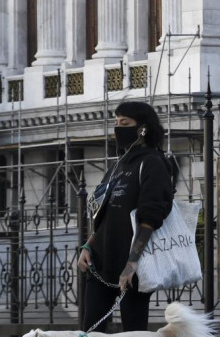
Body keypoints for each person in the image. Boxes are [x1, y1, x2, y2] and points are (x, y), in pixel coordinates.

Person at [77, 101, 174, 332]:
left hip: (134, 269)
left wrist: (131, 264)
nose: (118, 128)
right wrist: (88, 246)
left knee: (133, 331)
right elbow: (106, 215)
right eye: (116, 123)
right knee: (90, 331)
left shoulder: (153, 163)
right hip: (100, 265)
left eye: (125, 123)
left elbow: (150, 217)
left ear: (142, 128)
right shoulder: (117, 166)